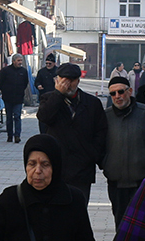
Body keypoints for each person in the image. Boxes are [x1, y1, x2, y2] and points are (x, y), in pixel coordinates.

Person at [36, 62, 107, 202]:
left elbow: (101, 131)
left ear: (78, 81)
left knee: (78, 211)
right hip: (56, 166)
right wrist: (58, 95)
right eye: (64, 80)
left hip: (82, 168)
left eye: (71, 80)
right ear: (57, 80)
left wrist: (93, 154)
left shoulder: (92, 103)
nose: (67, 84)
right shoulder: (49, 98)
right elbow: (44, 117)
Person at [103, 75, 145, 228]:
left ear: (129, 91)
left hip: (143, 183)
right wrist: (106, 165)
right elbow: (98, 146)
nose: (117, 96)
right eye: (113, 93)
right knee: (121, 226)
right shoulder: (106, 117)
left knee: (144, 227)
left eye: (121, 92)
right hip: (117, 184)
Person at [0, 53, 29, 144]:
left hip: (18, 98)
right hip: (8, 98)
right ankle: (10, 135)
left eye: (21, 61)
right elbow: (0, 83)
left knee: (17, 116)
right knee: (9, 117)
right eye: (18, 61)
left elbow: (25, 83)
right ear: (13, 61)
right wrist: (6, 91)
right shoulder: (5, 71)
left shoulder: (23, 71)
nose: (20, 62)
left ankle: (17, 135)